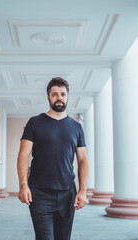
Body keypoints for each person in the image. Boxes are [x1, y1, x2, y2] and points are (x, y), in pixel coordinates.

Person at [17, 77, 89, 240]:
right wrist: (23, 185)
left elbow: (83, 160)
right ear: (48, 97)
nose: (59, 97)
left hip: (67, 194)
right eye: (54, 94)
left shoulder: (76, 127)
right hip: (39, 193)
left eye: (63, 94)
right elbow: (23, 154)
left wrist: (82, 190)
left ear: (67, 97)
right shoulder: (34, 123)